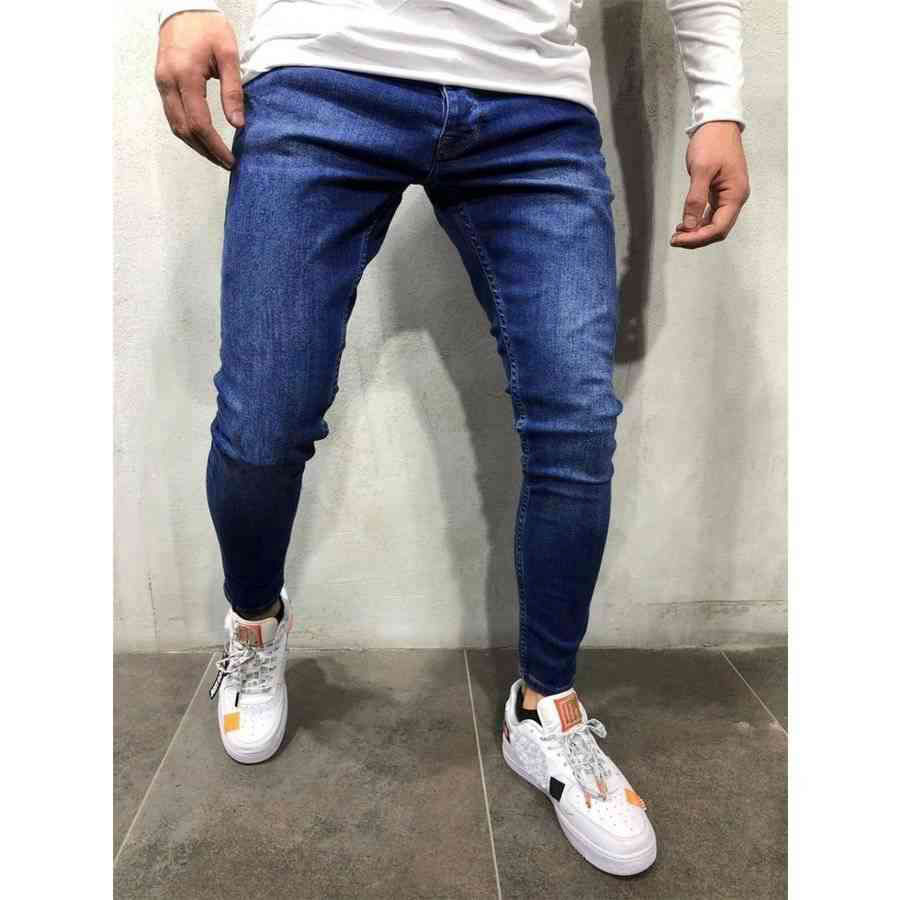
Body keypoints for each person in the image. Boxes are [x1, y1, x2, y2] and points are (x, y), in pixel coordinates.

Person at [154, 0, 749, 876]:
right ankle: (254, 628)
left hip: (530, 96)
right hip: (325, 73)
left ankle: (545, 711)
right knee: (264, 420)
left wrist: (719, 104)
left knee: (577, 425)